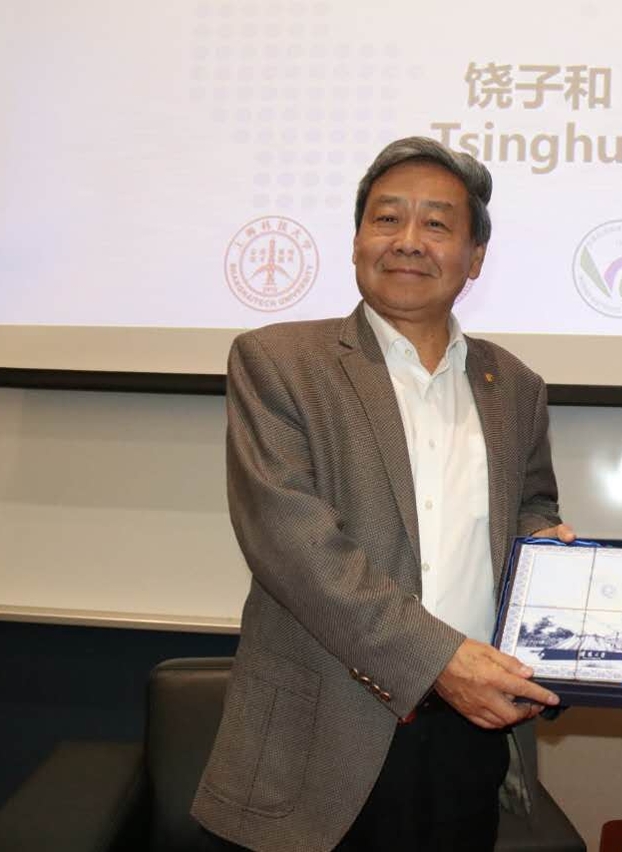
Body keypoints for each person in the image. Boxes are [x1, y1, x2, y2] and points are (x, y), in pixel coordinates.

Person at [191, 137, 573, 852]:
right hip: (320, 737)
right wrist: (440, 660)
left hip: (469, 738)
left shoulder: (515, 386)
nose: (408, 241)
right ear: (357, 241)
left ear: (475, 257)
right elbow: (294, 544)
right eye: (387, 219)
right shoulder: (278, 362)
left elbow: (532, 506)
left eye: (437, 224)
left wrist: (548, 558)